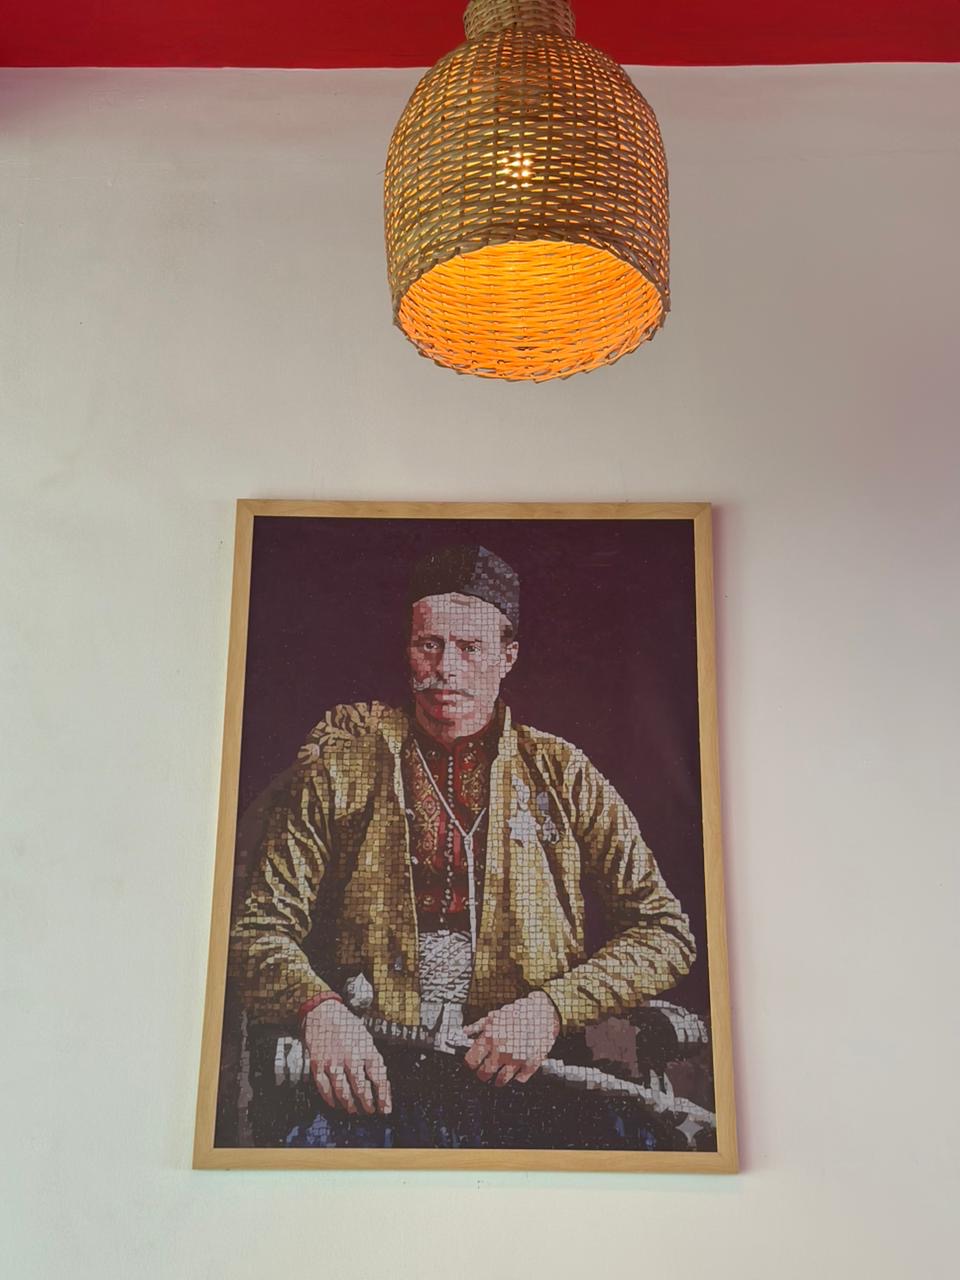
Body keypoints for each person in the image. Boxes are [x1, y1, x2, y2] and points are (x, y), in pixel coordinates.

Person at [231, 545, 695, 1148]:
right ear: (408, 650)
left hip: (533, 1074)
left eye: (471, 648)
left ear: (508, 657)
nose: (446, 667)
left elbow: (665, 932)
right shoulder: (340, 772)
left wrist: (550, 1008)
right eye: (429, 644)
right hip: (375, 1066)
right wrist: (316, 1007)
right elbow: (258, 930)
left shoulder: (563, 774)